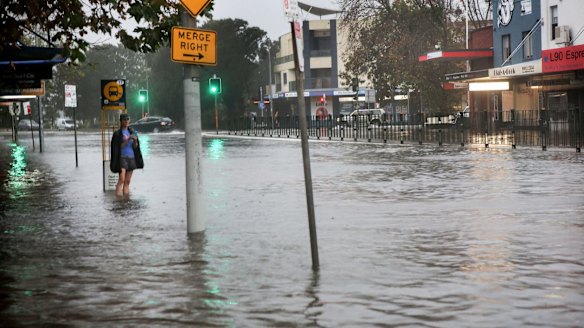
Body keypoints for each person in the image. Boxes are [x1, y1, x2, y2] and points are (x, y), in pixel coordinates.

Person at [110, 113, 144, 197]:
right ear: (121, 121)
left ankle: (126, 199)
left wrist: (135, 140)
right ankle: (118, 200)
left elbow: (135, 147)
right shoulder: (118, 133)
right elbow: (118, 147)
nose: (126, 121)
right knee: (121, 179)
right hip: (122, 158)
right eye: (124, 120)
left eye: (127, 119)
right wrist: (128, 139)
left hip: (131, 158)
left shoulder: (132, 131)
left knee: (127, 181)